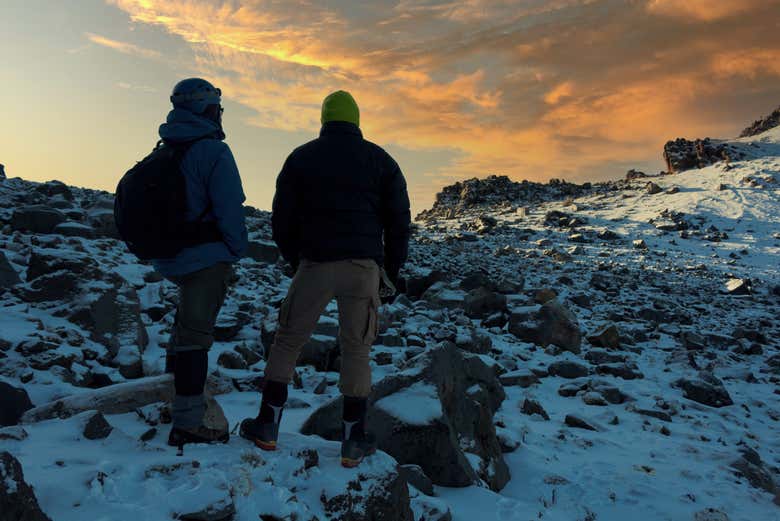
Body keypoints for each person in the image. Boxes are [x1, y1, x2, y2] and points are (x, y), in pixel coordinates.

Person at [240, 90, 411, 467]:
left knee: (288, 340)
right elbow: (399, 223)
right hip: (363, 269)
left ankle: (267, 425)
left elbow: (281, 217)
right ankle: (353, 440)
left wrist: (293, 259)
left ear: (323, 119)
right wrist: (391, 272)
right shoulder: (381, 161)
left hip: (315, 264)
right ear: (356, 120)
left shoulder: (301, 158)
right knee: (357, 348)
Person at [153, 78, 248, 447]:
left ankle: (172, 405)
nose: (221, 115)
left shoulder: (165, 147)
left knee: (182, 332)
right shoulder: (213, 151)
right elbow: (228, 206)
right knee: (195, 337)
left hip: (169, 256)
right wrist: (235, 251)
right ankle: (189, 424)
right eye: (218, 108)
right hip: (204, 257)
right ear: (207, 109)